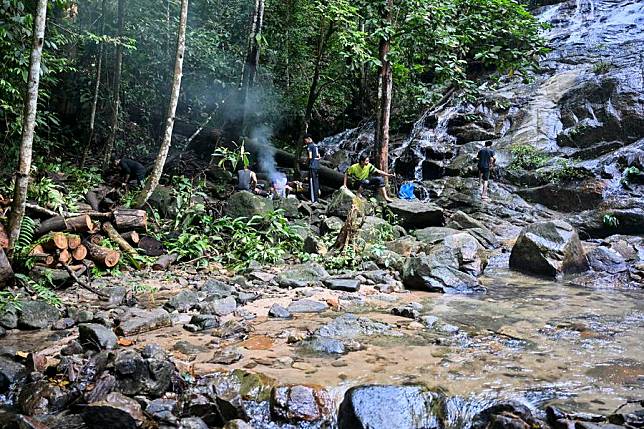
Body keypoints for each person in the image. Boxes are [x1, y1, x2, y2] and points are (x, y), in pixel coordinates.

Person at [304, 135, 321, 203]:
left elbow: (310, 157)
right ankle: (316, 198)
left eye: (305, 140)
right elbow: (319, 156)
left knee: (312, 182)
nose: (305, 142)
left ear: (308, 139)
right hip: (317, 165)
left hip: (312, 166)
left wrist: (306, 162)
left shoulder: (309, 146)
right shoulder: (316, 145)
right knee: (316, 182)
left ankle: (313, 200)